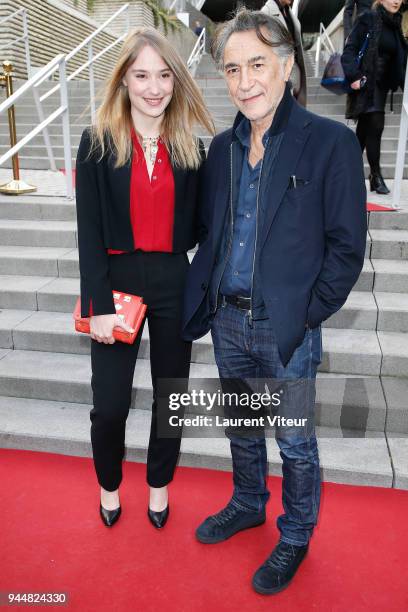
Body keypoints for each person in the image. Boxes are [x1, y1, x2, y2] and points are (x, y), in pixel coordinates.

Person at [182, 8, 366, 595]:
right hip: (227, 320)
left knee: (293, 440)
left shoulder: (331, 142)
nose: (245, 82)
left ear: (286, 66)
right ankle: (248, 501)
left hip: (286, 326)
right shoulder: (222, 148)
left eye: (258, 64)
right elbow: (212, 232)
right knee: (242, 426)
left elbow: (346, 248)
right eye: (232, 69)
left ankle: (295, 534)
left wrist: (308, 314)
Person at [75, 27, 214, 529]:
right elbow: (88, 233)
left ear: (176, 82)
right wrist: (97, 307)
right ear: (124, 81)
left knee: (170, 397)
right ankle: (109, 486)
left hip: (175, 278)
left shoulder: (191, 148)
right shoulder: (96, 143)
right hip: (116, 281)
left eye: (163, 76)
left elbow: (204, 227)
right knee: (109, 406)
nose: (153, 87)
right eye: (141, 75)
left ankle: (159, 487)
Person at [342, 0, 407, 194]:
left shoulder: (397, 24)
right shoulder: (368, 18)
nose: (396, 1)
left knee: (364, 131)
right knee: (376, 124)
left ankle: (347, 172)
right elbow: (350, 50)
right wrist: (353, 75)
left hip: (384, 85)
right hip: (366, 83)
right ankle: (376, 175)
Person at [261, 0, 307, 106]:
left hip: (294, 68)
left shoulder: (288, 13)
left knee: (294, 107)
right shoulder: (266, 11)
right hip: (279, 69)